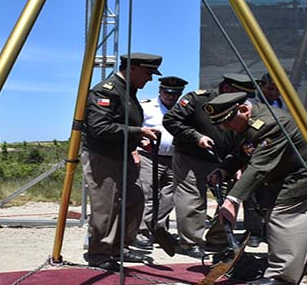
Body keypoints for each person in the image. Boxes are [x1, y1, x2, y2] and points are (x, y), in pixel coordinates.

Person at [204, 91, 307, 285]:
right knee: (273, 215)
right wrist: (224, 169)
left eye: (227, 122)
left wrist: (233, 199)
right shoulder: (243, 121)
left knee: (284, 218)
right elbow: (243, 151)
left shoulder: (271, 124)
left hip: (306, 174)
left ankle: (282, 275)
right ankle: (278, 264)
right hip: (284, 175)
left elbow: (259, 165)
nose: (225, 127)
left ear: (244, 110)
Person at [82, 52, 163, 272]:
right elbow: (100, 127)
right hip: (104, 158)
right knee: (106, 207)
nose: (150, 79)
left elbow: (121, 124)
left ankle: (119, 246)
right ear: (133, 68)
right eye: (148, 73)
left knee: (134, 200)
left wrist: (139, 138)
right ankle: (99, 253)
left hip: (123, 155)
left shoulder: (128, 91)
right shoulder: (106, 90)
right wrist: (138, 131)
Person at [163, 73, 255, 258]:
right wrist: (196, 137)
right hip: (192, 156)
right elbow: (171, 121)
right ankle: (190, 242)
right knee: (192, 198)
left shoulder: (241, 107)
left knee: (230, 199)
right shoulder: (198, 98)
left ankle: (218, 239)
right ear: (228, 89)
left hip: (224, 159)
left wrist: (237, 163)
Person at [134, 76, 188, 249]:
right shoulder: (146, 106)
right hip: (150, 156)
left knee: (169, 196)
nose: (170, 97)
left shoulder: (184, 110)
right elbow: (135, 129)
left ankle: (159, 229)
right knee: (148, 194)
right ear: (160, 91)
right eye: (167, 93)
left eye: (175, 94)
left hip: (175, 158)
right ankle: (142, 231)